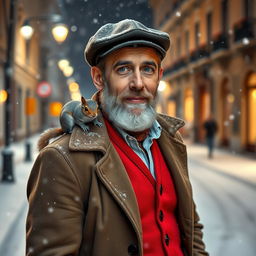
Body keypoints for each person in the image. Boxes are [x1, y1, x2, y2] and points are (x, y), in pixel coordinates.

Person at [26, 19, 208, 256]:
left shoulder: (172, 141)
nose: (138, 83)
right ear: (99, 78)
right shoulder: (62, 159)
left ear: (159, 76)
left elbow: (190, 229)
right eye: (123, 69)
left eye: (147, 69)